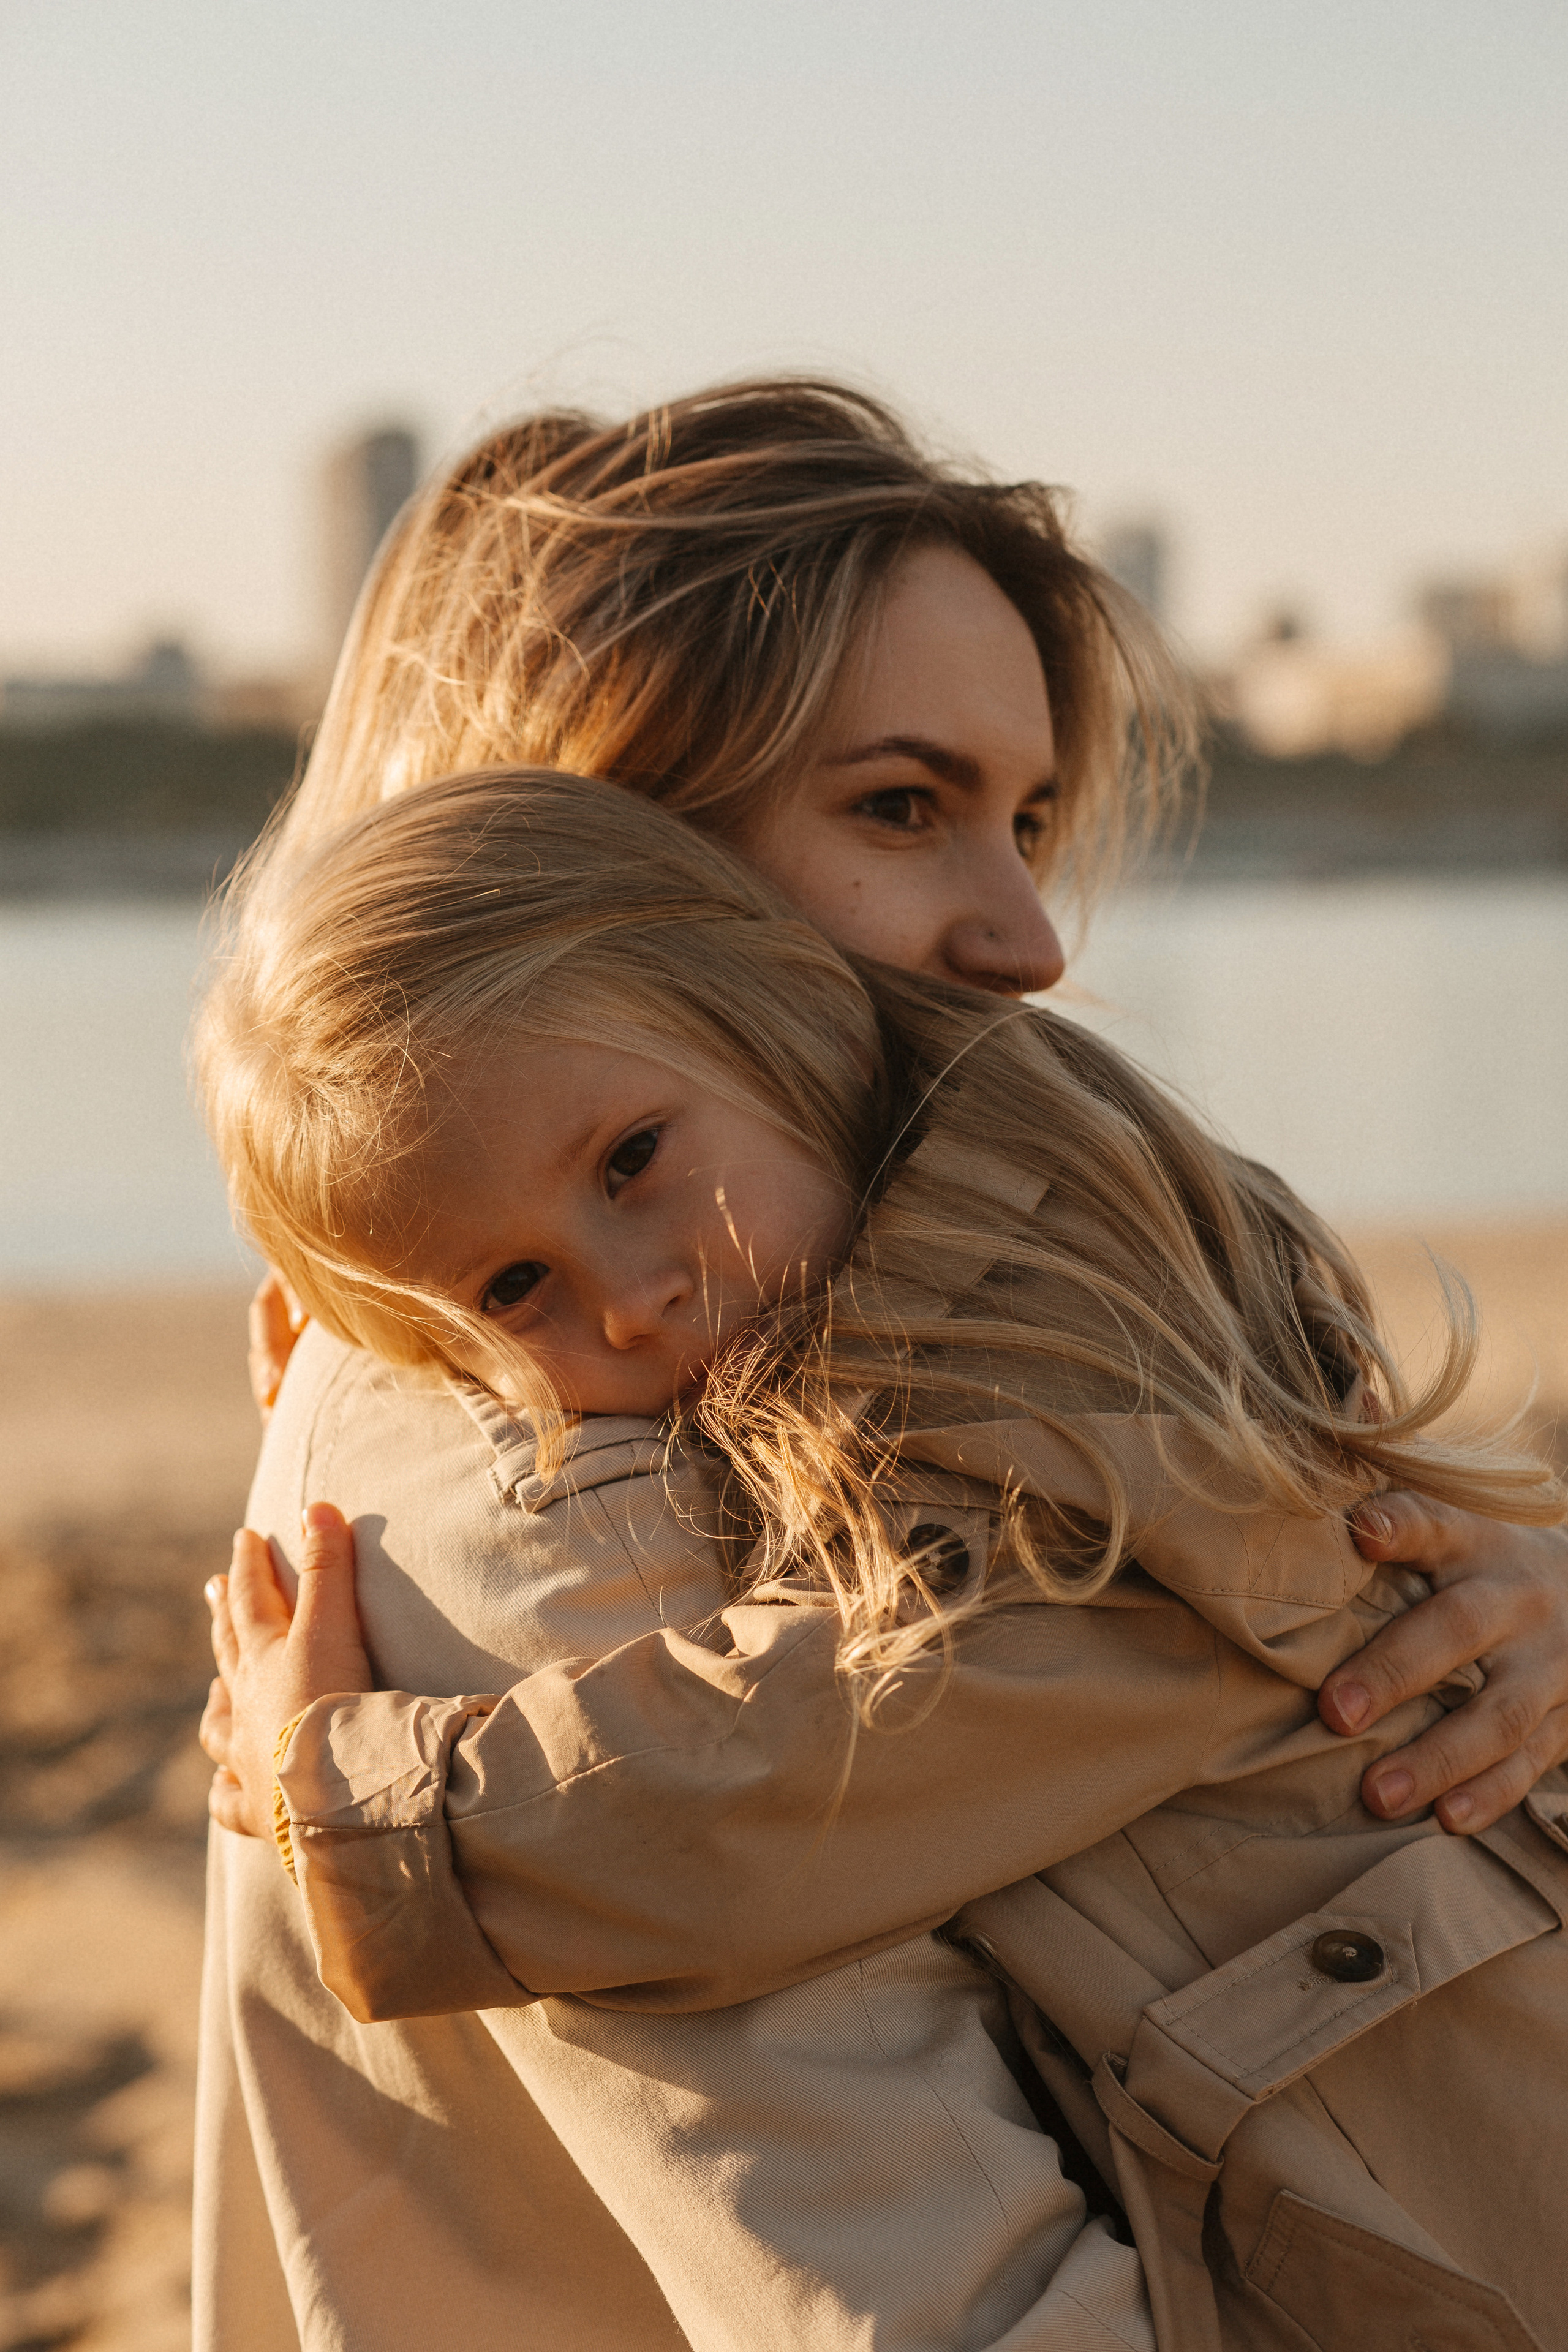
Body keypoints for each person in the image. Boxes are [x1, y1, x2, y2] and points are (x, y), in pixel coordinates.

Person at [197, 379, 1568, 2352]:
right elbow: (918, 2284)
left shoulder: (859, 1322)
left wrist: (1482, 1583)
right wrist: (386, 1824)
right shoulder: (578, 1461)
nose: (1025, 937)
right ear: (591, 850)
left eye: (1029, 821)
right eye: (901, 807)